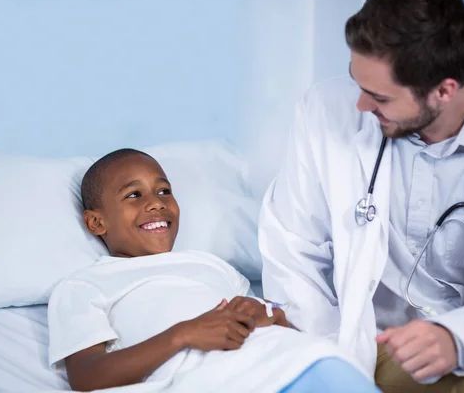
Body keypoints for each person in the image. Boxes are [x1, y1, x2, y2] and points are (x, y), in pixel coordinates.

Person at [258, 0, 464, 392]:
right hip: (361, 340)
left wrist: (455, 338)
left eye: (380, 97)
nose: (361, 105)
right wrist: (331, 359)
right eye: (357, 81)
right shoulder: (324, 111)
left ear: (444, 91)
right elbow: (293, 252)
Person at [47, 148, 380, 393]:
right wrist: (184, 334)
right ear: (96, 222)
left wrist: (269, 315)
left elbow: (274, 325)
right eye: (134, 195)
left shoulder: (213, 266)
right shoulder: (84, 285)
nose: (156, 203)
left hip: (295, 360)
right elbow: (86, 377)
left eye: (164, 191)